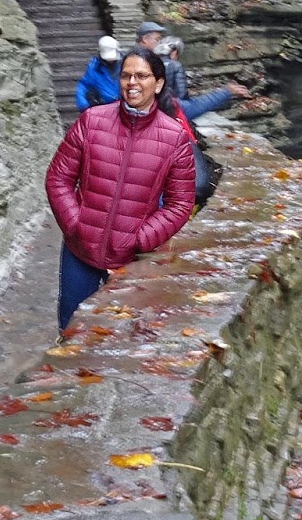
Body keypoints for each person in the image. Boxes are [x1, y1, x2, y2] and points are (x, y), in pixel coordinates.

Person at [45, 47, 197, 329]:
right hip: (81, 250)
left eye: (141, 75)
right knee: (72, 323)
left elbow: (180, 204)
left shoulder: (175, 138)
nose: (132, 83)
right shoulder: (91, 121)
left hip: (133, 255)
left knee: (127, 327)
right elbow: (58, 178)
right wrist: (76, 224)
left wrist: (141, 239)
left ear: (159, 83)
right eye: (126, 75)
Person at [156, 36, 251, 120]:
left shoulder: (151, 64)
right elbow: (182, 99)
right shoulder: (175, 65)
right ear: (174, 52)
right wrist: (226, 92)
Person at [74, 36, 121, 111]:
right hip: (104, 109)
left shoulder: (126, 64)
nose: (110, 60)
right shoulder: (94, 68)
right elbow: (84, 85)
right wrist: (83, 104)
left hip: (124, 108)